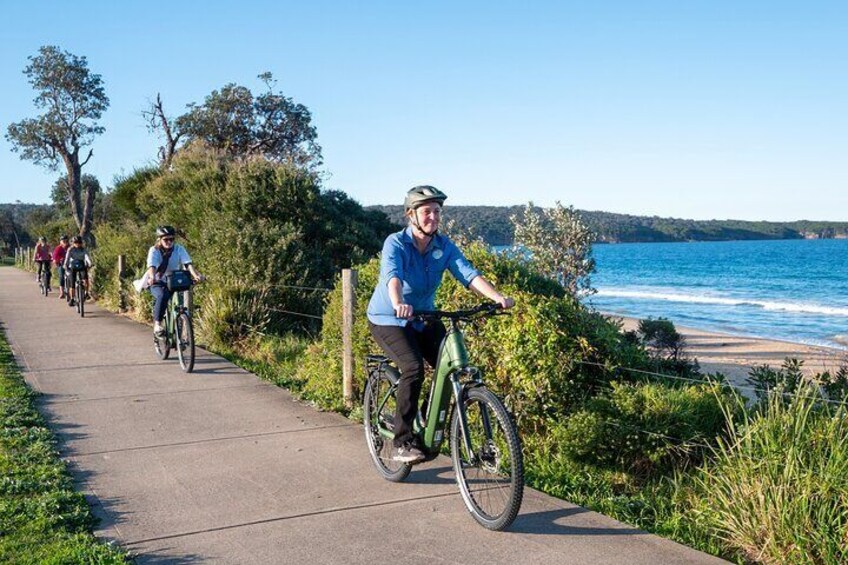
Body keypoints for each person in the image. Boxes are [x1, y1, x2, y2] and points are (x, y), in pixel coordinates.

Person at [366, 186, 515, 463]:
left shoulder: (443, 246)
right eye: (426, 212)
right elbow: (392, 276)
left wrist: (497, 298)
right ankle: (402, 441)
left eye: (437, 211)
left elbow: (468, 274)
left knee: (449, 367)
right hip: (389, 318)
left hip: (423, 317)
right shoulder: (396, 243)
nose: (433, 217)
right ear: (411, 215)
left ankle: (425, 417)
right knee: (412, 367)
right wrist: (398, 301)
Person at [145, 226, 204, 336]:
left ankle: (179, 329)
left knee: (180, 303)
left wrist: (196, 275)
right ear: (159, 240)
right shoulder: (154, 250)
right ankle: (157, 325)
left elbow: (188, 264)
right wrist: (152, 277)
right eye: (166, 239)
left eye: (171, 239)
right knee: (162, 295)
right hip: (157, 281)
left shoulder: (179, 249)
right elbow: (151, 266)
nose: (169, 242)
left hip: (174, 280)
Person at [63, 236, 92, 306]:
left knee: (85, 279)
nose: (77, 244)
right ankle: (72, 298)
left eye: (79, 243)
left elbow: (87, 257)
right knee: (72, 283)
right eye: (76, 243)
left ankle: (86, 293)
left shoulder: (83, 249)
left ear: (81, 243)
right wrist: (65, 265)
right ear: (73, 243)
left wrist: (90, 263)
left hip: (81, 265)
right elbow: (67, 258)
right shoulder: (70, 250)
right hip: (72, 267)